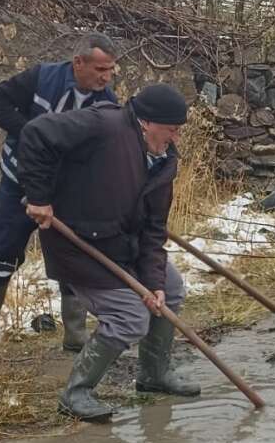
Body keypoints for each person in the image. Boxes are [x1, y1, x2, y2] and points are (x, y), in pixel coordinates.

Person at [15, 83, 198, 421]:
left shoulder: (163, 162)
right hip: (80, 245)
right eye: (172, 130)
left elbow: (153, 230)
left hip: (125, 246)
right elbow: (36, 133)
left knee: (169, 290)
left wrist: (153, 281)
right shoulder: (105, 126)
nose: (175, 138)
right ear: (147, 121)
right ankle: (76, 392)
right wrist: (39, 197)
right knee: (130, 317)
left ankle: (152, 375)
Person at [0, 33, 120, 349]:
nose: (106, 77)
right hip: (19, 180)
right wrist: (33, 134)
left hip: (67, 189)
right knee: (3, 247)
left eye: (110, 70)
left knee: (73, 254)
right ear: (78, 62)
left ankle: (75, 332)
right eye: (100, 69)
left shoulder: (107, 102)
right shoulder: (42, 78)